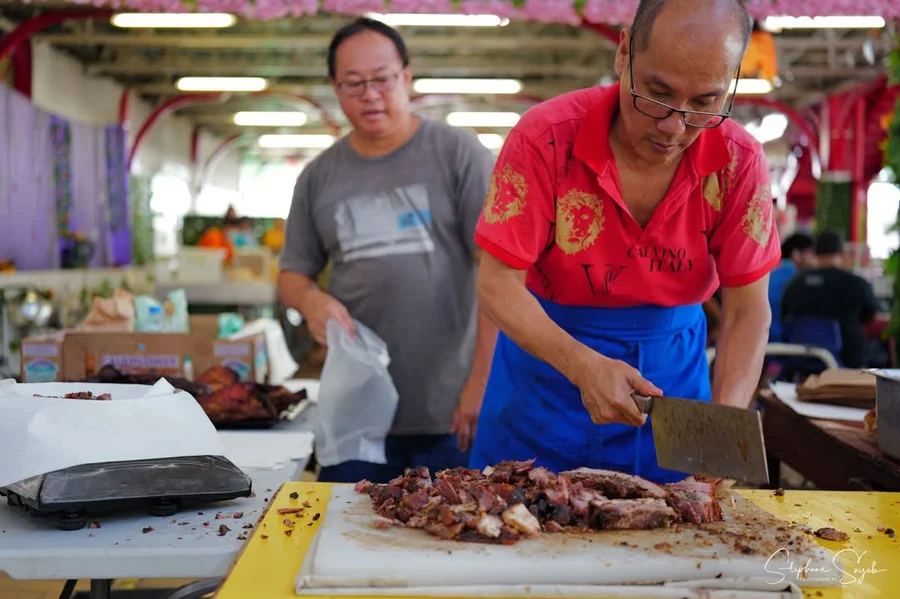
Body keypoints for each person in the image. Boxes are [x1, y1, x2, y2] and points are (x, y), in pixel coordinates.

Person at [469, 0, 781, 484]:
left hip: (674, 396)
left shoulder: (740, 161)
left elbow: (747, 309)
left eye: (704, 103)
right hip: (542, 388)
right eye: (656, 94)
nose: (674, 127)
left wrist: (721, 433)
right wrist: (580, 364)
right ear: (623, 54)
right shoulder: (545, 137)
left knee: (674, 547)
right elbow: (496, 283)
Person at [278, 17, 497, 483]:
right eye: (353, 83)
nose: (370, 94)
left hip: (451, 410)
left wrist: (483, 383)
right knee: (350, 541)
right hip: (357, 413)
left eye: (382, 79)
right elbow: (292, 274)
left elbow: (499, 275)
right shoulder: (319, 176)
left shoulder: (458, 154)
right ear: (335, 89)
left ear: (407, 77)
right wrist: (311, 300)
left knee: (453, 541)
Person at [781, 231, 882, 368]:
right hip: (848, 364)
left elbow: (785, 318)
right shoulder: (857, 283)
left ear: (815, 252)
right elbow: (873, 318)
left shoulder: (794, 284)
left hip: (802, 362)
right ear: (842, 252)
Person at [768, 232, 815, 342]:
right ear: (796, 255)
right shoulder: (800, 280)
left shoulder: (769, 275)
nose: (814, 259)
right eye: (811, 253)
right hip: (787, 343)